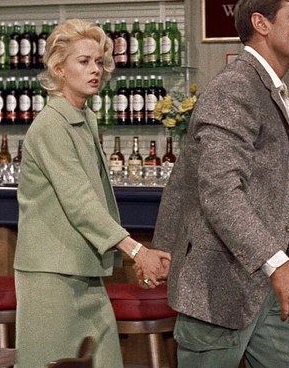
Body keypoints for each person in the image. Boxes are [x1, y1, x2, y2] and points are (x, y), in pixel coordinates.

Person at [151, 0, 289, 367]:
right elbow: (219, 191)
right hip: (220, 285)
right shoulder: (235, 88)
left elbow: (185, 177)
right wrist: (279, 265)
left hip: (264, 283)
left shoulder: (267, 88)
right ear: (261, 23)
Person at [13, 18, 171, 367]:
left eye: (99, 61)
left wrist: (133, 254)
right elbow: (80, 202)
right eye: (83, 61)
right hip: (52, 276)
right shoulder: (51, 125)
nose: (96, 69)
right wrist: (137, 251)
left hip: (84, 270)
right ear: (59, 68)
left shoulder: (84, 119)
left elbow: (94, 201)